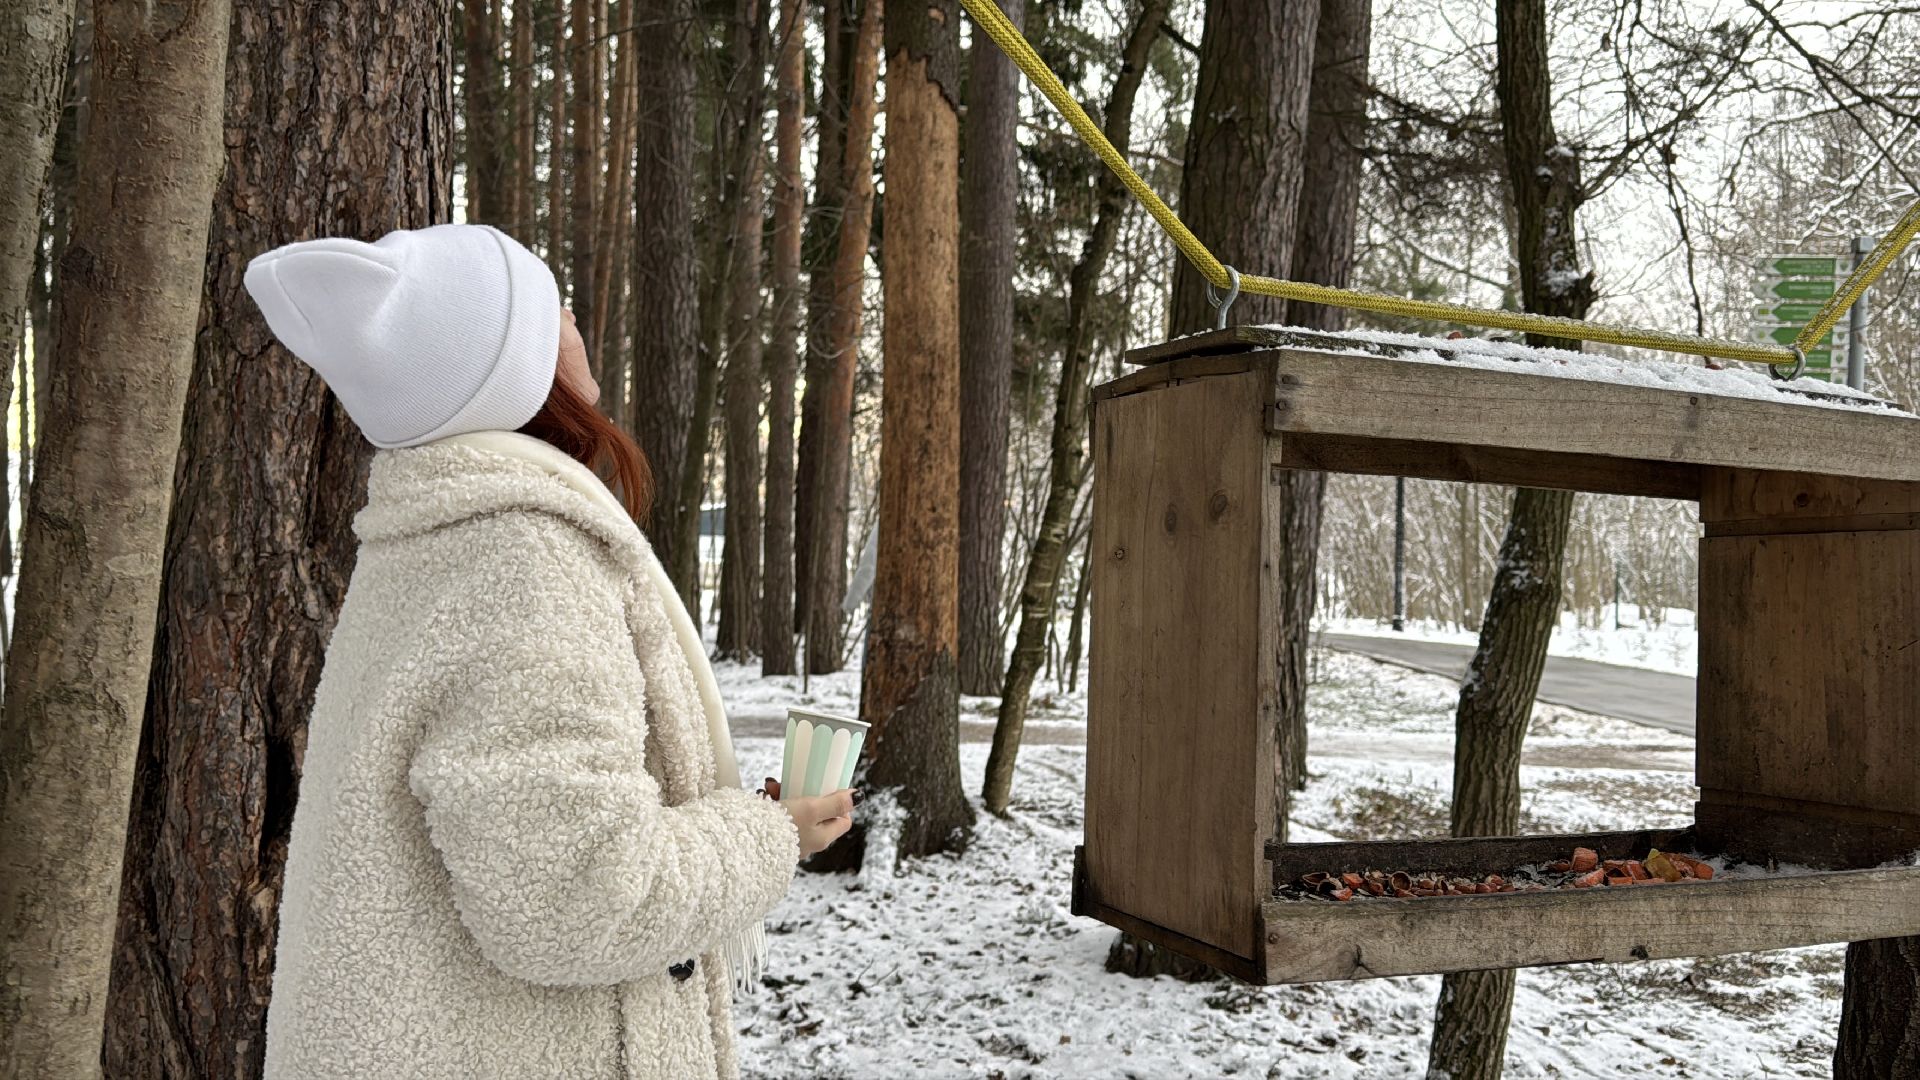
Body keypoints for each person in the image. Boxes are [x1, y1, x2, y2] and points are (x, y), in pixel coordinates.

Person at [244, 223, 853, 1079]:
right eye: (550, 305)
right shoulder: (521, 562)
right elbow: (576, 900)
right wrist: (769, 834)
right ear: (507, 365)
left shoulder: (441, 540)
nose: (573, 316)